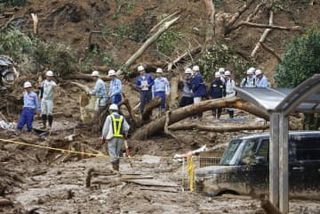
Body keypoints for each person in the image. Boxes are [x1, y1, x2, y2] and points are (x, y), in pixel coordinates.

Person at [101, 104, 130, 172]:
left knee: (112, 152)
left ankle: (115, 168)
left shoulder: (109, 117)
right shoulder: (121, 117)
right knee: (117, 153)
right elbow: (127, 127)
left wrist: (103, 138)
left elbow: (105, 129)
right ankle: (117, 167)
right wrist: (125, 134)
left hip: (112, 137)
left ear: (110, 111)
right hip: (120, 138)